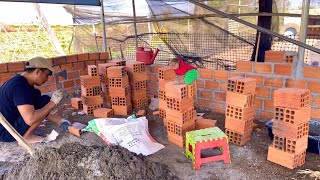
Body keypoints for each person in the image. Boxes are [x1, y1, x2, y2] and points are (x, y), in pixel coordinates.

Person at [0, 57, 64, 143]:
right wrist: (53, 103)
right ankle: (27, 137)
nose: (46, 79)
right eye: (47, 75)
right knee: (46, 102)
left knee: (39, 97)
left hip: (7, 125)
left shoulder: (19, 81)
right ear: (38, 72)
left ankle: (26, 134)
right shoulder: (20, 87)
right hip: (6, 132)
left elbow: (39, 109)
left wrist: (59, 121)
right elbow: (30, 119)